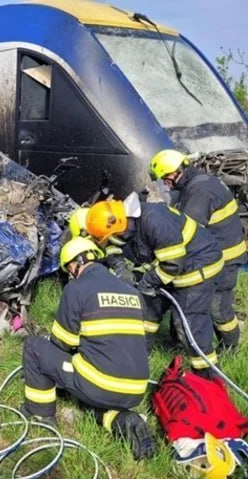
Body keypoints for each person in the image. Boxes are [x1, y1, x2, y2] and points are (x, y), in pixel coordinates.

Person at [21, 237, 155, 460]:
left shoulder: (76, 288)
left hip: (100, 385)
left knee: (34, 347)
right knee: (88, 385)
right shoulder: (131, 292)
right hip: (136, 390)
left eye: (68, 270)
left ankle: (40, 415)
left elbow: (62, 343)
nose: (69, 274)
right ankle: (120, 420)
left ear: (75, 264)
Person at [85, 194, 224, 377]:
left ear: (121, 223)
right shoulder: (123, 222)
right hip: (168, 268)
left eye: (114, 235)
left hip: (197, 266)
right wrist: (119, 266)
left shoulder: (153, 221)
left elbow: (173, 263)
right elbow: (111, 245)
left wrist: (147, 282)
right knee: (146, 312)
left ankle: (209, 377)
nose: (114, 238)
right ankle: (138, 358)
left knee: (189, 325)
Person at [150, 149, 246, 349]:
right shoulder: (194, 183)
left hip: (225, 258)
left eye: (164, 178)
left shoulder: (199, 192)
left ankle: (230, 347)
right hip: (211, 252)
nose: (164, 184)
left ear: (175, 172)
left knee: (217, 307)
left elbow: (188, 229)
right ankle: (178, 343)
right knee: (184, 295)